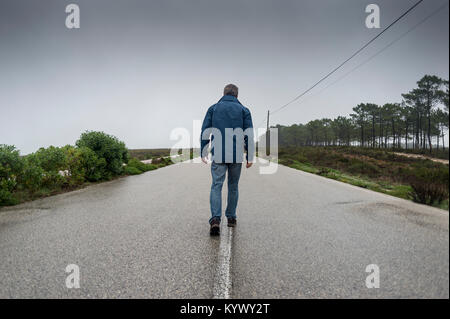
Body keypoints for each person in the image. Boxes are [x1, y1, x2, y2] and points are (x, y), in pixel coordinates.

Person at [200, 84, 254, 236]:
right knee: (233, 186)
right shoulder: (244, 110)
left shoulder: (214, 108)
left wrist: (204, 150)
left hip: (219, 154)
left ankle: (215, 220)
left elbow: (205, 130)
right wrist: (250, 156)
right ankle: (231, 218)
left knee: (216, 185)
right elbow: (248, 134)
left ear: (223, 93)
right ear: (237, 95)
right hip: (236, 155)